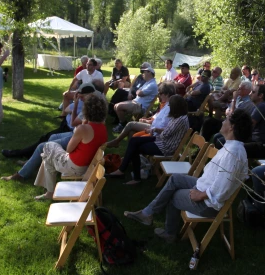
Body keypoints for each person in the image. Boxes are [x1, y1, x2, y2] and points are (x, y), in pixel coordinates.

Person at [123, 108, 253, 243]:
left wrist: (200, 195)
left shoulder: (234, 153)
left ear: (232, 127)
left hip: (209, 204)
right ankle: (147, 213)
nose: (223, 121)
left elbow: (222, 188)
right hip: (205, 187)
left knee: (173, 195)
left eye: (226, 119)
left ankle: (169, 233)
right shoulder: (232, 147)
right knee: (175, 178)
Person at [1, 83, 102, 182]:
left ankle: (22, 174)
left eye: (82, 97)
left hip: (76, 159)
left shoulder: (85, 122)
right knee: (52, 137)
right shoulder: (100, 125)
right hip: (81, 143)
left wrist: (76, 106)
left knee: (42, 146)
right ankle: (34, 163)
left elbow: (69, 148)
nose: (80, 99)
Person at [33, 94, 109, 200]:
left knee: (47, 147)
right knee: (48, 155)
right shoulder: (103, 129)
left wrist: (82, 126)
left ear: (86, 111)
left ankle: (49, 192)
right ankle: (47, 190)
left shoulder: (83, 129)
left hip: (74, 167)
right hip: (88, 166)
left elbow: (69, 149)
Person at [106, 94, 190, 185]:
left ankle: (132, 176)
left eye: (170, 106)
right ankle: (122, 170)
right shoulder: (180, 116)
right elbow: (166, 131)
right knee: (134, 141)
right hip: (161, 140)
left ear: (175, 107)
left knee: (135, 147)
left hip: (165, 147)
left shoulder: (180, 120)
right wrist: (154, 130)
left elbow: (165, 134)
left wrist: (154, 130)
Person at [106, 82, 176, 148]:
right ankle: (131, 155)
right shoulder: (165, 104)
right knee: (131, 132)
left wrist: (148, 123)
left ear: (167, 94)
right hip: (154, 127)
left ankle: (117, 141)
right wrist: (147, 120)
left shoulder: (169, 107)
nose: (159, 96)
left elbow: (162, 124)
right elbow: (158, 117)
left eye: (160, 94)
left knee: (130, 125)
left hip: (156, 131)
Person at [113, 64, 158, 133]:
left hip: (140, 106)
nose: (143, 74)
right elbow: (138, 91)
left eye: (144, 72)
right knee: (116, 106)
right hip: (135, 102)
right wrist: (138, 92)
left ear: (149, 73)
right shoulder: (148, 83)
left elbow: (139, 93)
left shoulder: (152, 85)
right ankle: (123, 123)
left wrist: (139, 92)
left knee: (119, 106)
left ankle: (122, 124)